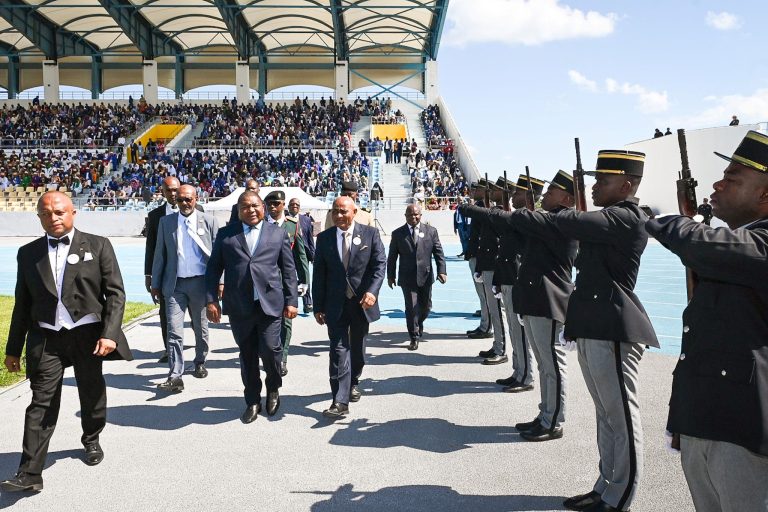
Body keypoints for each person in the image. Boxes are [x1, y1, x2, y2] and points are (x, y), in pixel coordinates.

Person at [645, 130, 768, 511]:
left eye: (732, 180)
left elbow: (699, 243)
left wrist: (671, 220)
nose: (717, 184)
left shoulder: (754, 243)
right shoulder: (736, 240)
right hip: (705, 414)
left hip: (743, 426)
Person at [1, 192, 133, 492]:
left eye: (59, 212)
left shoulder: (98, 245)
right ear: (39, 217)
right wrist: (12, 349)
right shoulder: (28, 253)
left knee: (91, 392)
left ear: (73, 212)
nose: (53, 218)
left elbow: (115, 294)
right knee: (41, 402)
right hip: (46, 337)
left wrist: (109, 334)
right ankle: (30, 473)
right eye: (46, 214)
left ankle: (91, 439)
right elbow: (22, 303)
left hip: (88, 336)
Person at [552, 150, 658, 512]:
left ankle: (621, 496)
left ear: (626, 185)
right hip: (594, 325)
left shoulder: (627, 217)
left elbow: (570, 222)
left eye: (603, 181)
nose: (595, 186)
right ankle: (605, 486)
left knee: (622, 416)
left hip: (614, 327)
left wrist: (573, 208)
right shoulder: (608, 219)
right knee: (605, 414)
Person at [205, 191, 298, 423]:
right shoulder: (226, 235)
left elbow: (288, 271)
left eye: (255, 205)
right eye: (245, 207)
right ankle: (252, 400)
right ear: (239, 210)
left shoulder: (277, 234)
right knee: (247, 355)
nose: (251, 210)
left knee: (270, 350)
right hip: (239, 306)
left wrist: (292, 301)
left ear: (263, 208)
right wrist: (211, 300)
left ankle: (273, 386)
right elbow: (213, 269)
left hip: (270, 305)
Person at [313, 196, 386, 418]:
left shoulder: (370, 234)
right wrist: (318, 306)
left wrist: (372, 291)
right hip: (334, 304)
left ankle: (354, 378)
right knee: (337, 349)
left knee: (357, 348)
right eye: (335, 211)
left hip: (361, 302)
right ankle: (340, 400)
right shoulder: (324, 238)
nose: (339, 216)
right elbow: (319, 275)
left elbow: (379, 265)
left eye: (344, 211)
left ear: (354, 212)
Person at [151, 185, 219, 392]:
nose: (184, 203)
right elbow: (159, 255)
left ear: (196, 198)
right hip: (175, 284)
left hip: (200, 283)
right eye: (180, 200)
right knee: (174, 330)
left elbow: (218, 256)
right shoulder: (166, 222)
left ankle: (200, 360)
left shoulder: (209, 221)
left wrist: (221, 282)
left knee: (200, 327)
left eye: (188, 199)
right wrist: (155, 283)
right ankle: (175, 374)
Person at [144, 176, 203, 362]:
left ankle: (199, 351)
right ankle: (169, 350)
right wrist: (150, 274)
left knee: (197, 316)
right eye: (168, 190)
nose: (172, 193)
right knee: (166, 315)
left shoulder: (199, 212)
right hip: (168, 276)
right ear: (162, 191)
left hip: (194, 276)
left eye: (175, 190)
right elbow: (151, 247)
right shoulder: (155, 216)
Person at [387, 204, 447, 350]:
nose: (413, 217)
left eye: (416, 215)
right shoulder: (397, 234)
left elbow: (438, 252)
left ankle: (418, 322)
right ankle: (414, 337)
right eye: (410, 215)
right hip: (407, 277)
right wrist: (390, 275)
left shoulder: (431, 231)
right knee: (411, 308)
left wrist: (442, 271)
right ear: (405, 216)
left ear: (421, 215)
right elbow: (392, 257)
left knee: (426, 307)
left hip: (425, 276)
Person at [265, 190, 309, 376]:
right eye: (270, 204)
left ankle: (282, 359)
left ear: (284, 205)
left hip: (285, 281)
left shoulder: (292, 226)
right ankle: (268, 354)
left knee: (285, 322)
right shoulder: (260, 224)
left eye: (277, 204)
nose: (273, 208)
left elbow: (300, 256)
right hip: (264, 281)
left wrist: (305, 281)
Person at [288, 197, 316, 313]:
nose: (295, 206)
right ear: (288, 207)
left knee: (305, 278)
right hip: (289, 254)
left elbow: (310, 239)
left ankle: (307, 303)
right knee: (290, 279)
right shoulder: (285, 220)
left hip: (304, 253)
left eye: (297, 205)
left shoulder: (306, 220)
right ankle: (291, 303)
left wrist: (313, 255)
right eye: (292, 204)